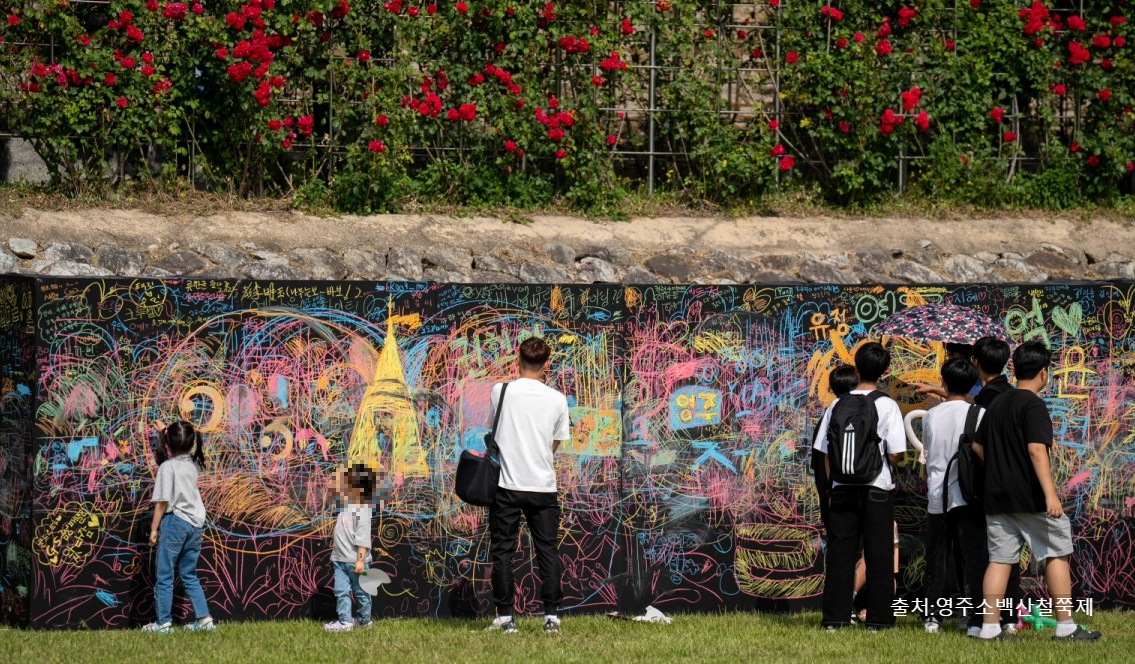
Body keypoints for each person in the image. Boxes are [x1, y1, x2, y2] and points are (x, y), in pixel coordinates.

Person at [973, 342, 1101, 641]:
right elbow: (1036, 450)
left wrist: (1000, 469)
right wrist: (1050, 494)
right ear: (1044, 372)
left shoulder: (996, 404)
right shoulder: (1033, 405)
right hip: (1030, 497)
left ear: (1014, 369)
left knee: (1000, 560)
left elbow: (977, 447)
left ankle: (989, 628)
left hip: (997, 497)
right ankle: (1065, 626)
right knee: (1057, 551)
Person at [813, 341, 907, 631]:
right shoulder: (888, 405)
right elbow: (896, 453)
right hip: (877, 488)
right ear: (884, 371)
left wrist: (833, 486)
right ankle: (879, 620)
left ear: (856, 368)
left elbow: (825, 452)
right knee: (879, 553)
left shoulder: (837, 404)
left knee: (840, 552)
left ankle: (835, 618)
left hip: (842, 488)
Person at [485, 337, 571, 634]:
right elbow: (555, 443)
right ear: (547, 364)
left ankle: (506, 618)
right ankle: (551, 617)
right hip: (543, 485)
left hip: (507, 484)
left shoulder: (500, 391)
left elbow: (493, 431)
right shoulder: (557, 399)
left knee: (503, 551)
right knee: (547, 550)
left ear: (517, 359)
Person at [920, 358, 984, 634]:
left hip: (938, 494)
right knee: (975, 558)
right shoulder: (978, 413)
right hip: (969, 496)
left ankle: (931, 616)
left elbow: (927, 452)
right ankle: (976, 618)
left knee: (937, 559)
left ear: (944, 383)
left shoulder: (931, 415)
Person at [142, 421, 215, 633]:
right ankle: (204, 619)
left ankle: (163, 623)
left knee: (165, 575)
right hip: (195, 524)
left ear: (169, 443)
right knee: (189, 574)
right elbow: (173, 457)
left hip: (175, 522)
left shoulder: (167, 467)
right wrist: (164, 433)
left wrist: (154, 529)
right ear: (192, 443)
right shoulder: (192, 463)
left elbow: (162, 503)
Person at [325, 462, 377, 632]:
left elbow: (363, 538)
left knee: (361, 592)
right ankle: (346, 622)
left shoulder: (363, 510)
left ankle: (364, 621)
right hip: (339, 560)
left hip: (355, 561)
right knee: (341, 591)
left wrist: (360, 560)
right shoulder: (345, 508)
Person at [812, 364, 859, 538]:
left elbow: (820, 458)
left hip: (834, 490)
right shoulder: (851, 412)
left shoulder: (831, 413)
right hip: (846, 490)